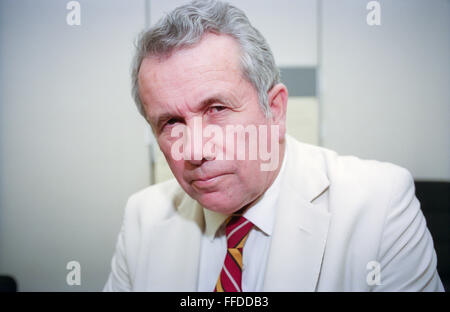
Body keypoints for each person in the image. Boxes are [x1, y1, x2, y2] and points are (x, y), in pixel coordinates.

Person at [103, 0, 444, 291]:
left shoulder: (380, 205)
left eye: (217, 109)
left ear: (275, 110)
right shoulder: (141, 219)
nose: (193, 151)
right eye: (171, 123)